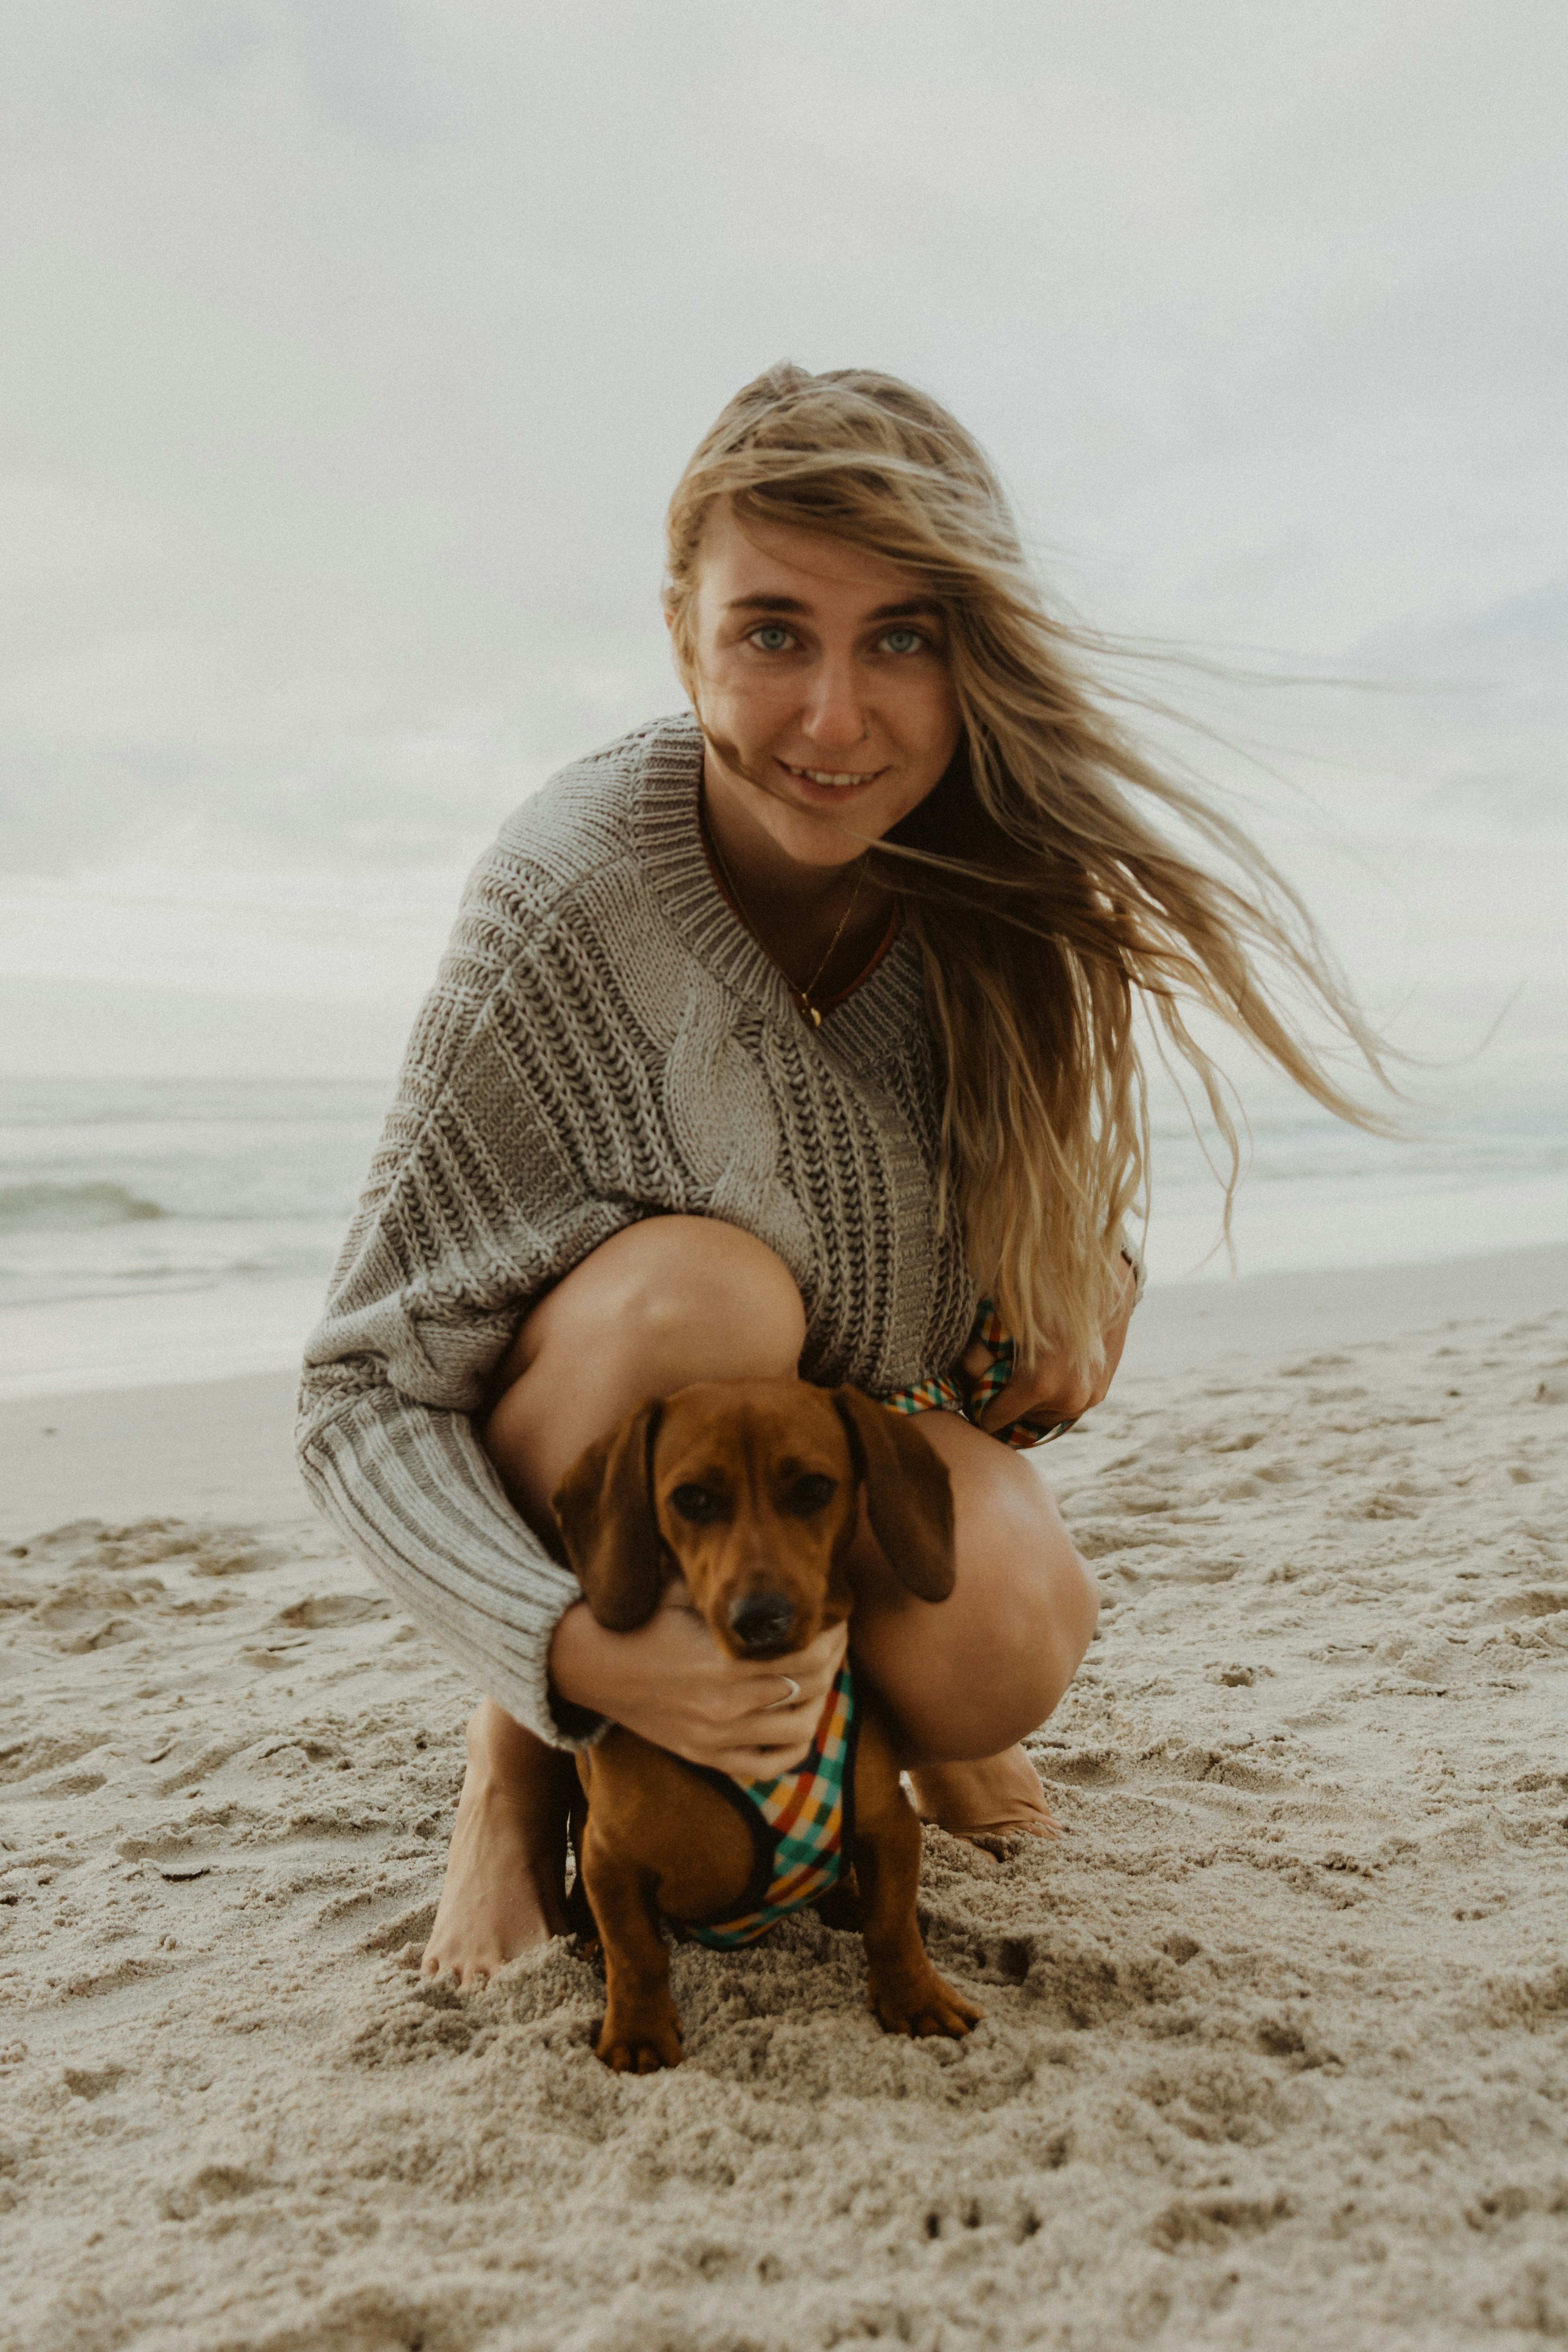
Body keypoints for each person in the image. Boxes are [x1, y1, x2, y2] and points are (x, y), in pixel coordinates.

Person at [297, 364, 1388, 1987]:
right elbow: (362, 1389)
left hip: (814, 1464)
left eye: (902, 638)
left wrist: (1081, 1287)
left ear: (972, 652)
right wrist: (572, 1648)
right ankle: (513, 1771)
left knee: (1006, 1626)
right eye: (773, 632)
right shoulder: (573, 893)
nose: (832, 716)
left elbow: (1023, 1258)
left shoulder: (1011, 892)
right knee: (711, 1294)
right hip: (621, 1450)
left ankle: (869, 1734)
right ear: (683, 634)